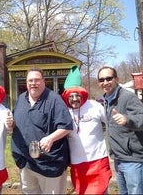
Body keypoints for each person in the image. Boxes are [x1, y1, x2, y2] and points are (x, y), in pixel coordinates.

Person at [11, 66, 73, 194]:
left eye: (37, 80)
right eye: (30, 81)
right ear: (26, 82)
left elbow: (66, 126)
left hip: (49, 162)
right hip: (26, 160)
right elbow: (17, 124)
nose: (33, 83)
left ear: (43, 81)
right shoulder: (21, 99)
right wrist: (10, 125)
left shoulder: (54, 100)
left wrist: (50, 138)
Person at [61, 65, 112, 194]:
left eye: (76, 95)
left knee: (102, 191)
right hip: (77, 163)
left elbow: (111, 124)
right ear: (66, 97)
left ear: (82, 94)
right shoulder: (64, 111)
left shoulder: (94, 106)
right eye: (71, 96)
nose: (74, 99)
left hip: (98, 159)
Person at [97, 66, 143, 194]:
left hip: (132, 159)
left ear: (116, 79)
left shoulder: (128, 97)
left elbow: (141, 117)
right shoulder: (105, 100)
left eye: (108, 78)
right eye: (101, 80)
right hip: (118, 158)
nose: (105, 82)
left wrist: (128, 120)